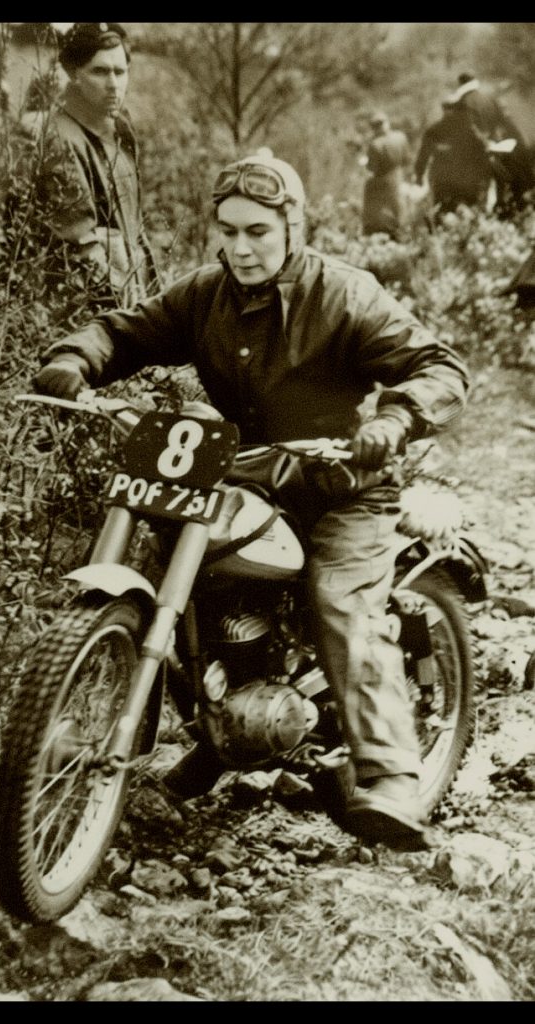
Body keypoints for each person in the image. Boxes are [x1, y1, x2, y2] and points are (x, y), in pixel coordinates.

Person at [33, 150, 470, 851]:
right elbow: (125, 329)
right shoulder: (205, 295)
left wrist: (392, 420)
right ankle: (217, 728)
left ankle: (388, 772)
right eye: (229, 230)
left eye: (258, 231)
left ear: (291, 225)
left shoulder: (345, 296)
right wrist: (74, 358)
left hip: (341, 488)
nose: (241, 247)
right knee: (176, 555)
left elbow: (439, 366)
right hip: (242, 474)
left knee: (342, 604)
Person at [2, 21, 161, 331]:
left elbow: (135, 233)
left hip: (124, 303)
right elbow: (80, 248)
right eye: (99, 72)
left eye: (120, 71)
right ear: (73, 74)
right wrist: (132, 326)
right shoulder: (57, 139)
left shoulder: (120, 132)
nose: (114, 84)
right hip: (75, 318)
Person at [452, 71, 534, 214]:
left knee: (481, 188)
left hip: (478, 151)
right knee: (501, 182)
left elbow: (470, 128)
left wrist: (485, 143)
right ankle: (505, 211)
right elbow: (505, 120)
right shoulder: (489, 98)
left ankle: (486, 216)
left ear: (461, 84)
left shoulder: (462, 103)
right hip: (499, 146)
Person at [414, 97, 493, 216]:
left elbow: (423, 156)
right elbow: (484, 149)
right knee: (469, 211)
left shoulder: (434, 130)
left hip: (444, 180)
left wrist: (419, 175)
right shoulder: (468, 128)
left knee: (443, 212)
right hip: (465, 180)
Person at [361, 111, 411, 238]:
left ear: (374, 128)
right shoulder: (400, 137)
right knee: (398, 207)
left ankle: (373, 229)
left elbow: (372, 169)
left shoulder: (376, 144)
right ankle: (400, 229)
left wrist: (364, 163)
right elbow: (407, 160)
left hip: (384, 180)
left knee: (369, 191)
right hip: (399, 177)